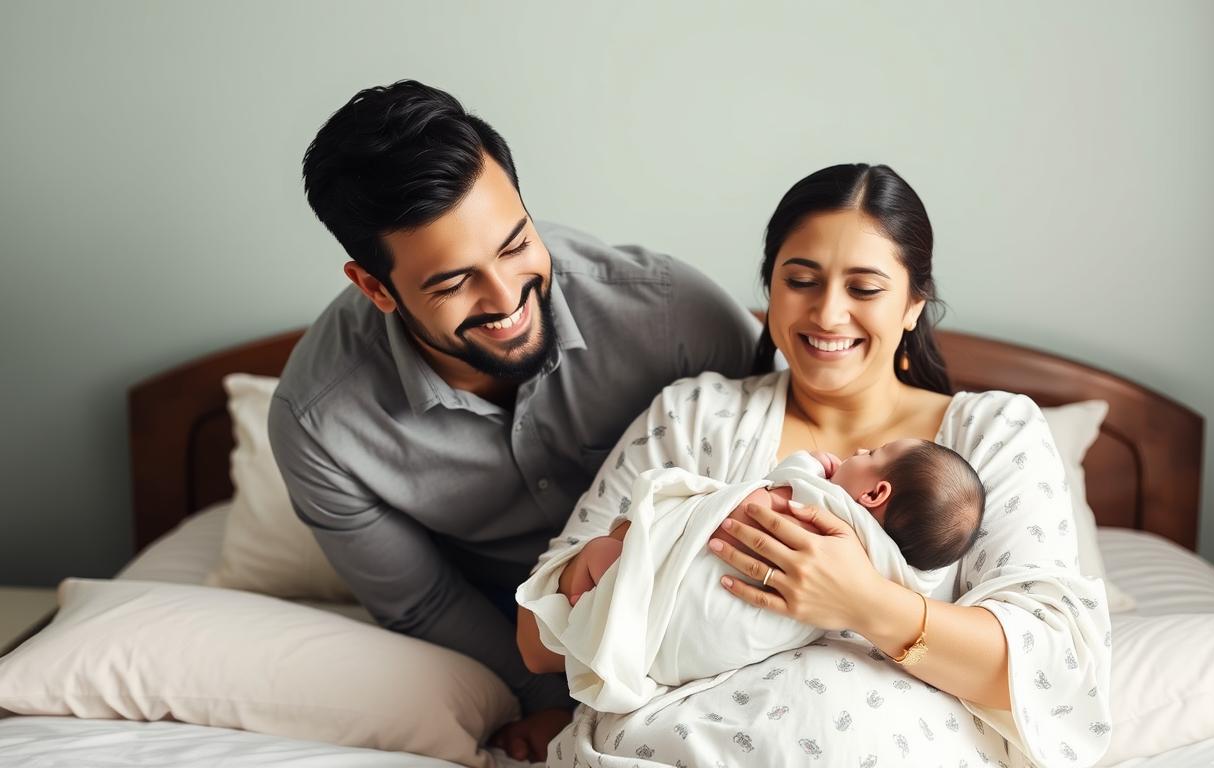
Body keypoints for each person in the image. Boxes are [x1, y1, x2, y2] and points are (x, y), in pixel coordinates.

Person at [518, 164, 1112, 767]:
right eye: (801, 280)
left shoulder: (992, 434)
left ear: (913, 304)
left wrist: (863, 603)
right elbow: (535, 640)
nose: (828, 314)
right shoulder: (698, 414)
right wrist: (619, 561)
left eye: (864, 289)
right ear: (770, 287)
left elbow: (1050, 671)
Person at [269, 80, 759, 761]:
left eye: (514, 244)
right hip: (499, 613)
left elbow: (797, 435)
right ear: (375, 287)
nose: (507, 299)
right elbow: (425, 602)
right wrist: (550, 700)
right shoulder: (319, 425)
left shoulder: (674, 316)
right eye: (450, 282)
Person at [516, 440, 984, 713]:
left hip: (673, 617)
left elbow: (775, 490)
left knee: (605, 554)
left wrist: (808, 465)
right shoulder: (901, 574)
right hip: (698, 655)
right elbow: (533, 647)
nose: (859, 450)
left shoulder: (825, 505)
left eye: (873, 452)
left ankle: (598, 607)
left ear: (875, 492)